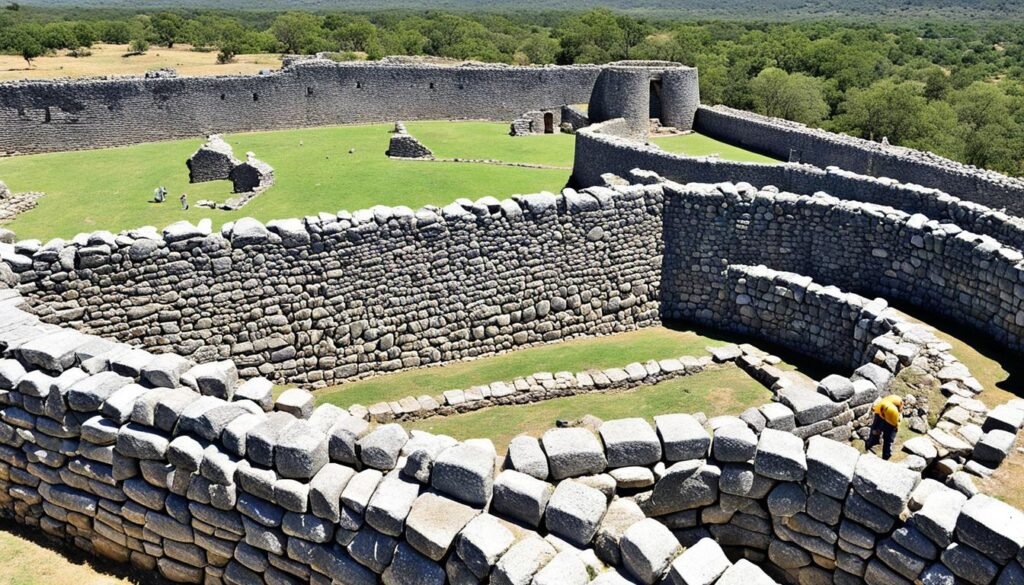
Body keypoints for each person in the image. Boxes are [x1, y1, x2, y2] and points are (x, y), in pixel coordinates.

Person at [865, 394, 903, 460]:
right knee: (881, 434)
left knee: (887, 438)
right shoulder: (880, 407)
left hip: (888, 416)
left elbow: (895, 424)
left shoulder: (894, 412)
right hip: (883, 413)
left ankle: (886, 455)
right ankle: (873, 444)